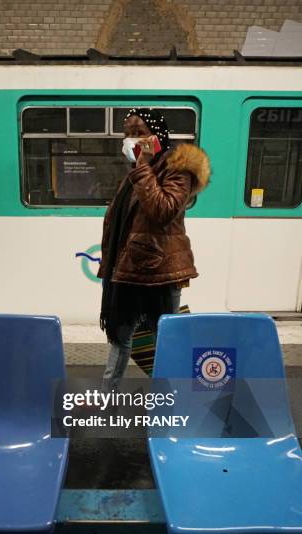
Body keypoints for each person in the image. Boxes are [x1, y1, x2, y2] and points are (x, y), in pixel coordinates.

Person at [97, 107, 211, 392]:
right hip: (126, 271)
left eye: (139, 133)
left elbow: (163, 210)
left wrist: (144, 167)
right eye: (128, 134)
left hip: (160, 272)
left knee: (164, 338)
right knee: (119, 335)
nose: (132, 140)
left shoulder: (177, 170)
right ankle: (107, 395)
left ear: (157, 136)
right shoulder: (135, 174)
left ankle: (172, 394)